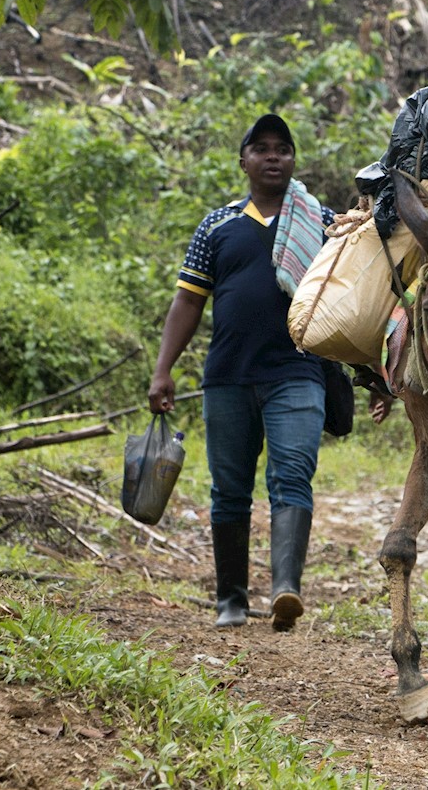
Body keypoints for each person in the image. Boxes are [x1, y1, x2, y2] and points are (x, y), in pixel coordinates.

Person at [148, 114, 336, 632]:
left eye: (283, 148)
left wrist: (376, 376)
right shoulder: (218, 225)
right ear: (244, 161)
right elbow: (188, 300)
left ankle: (284, 590)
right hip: (227, 378)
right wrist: (163, 370)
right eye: (262, 148)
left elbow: (354, 299)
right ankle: (230, 598)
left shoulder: (323, 223)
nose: (273, 156)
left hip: (298, 373)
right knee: (230, 488)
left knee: (292, 474)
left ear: (294, 159)